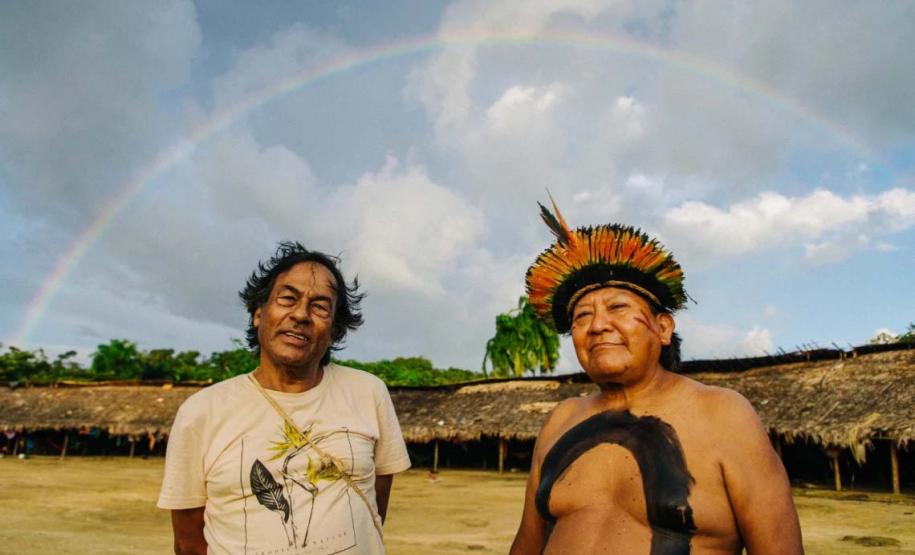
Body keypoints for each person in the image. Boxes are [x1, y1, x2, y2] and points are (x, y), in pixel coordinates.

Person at [510, 199, 803, 555]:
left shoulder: (723, 415)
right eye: (582, 316)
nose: (598, 325)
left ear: (663, 328)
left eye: (618, 307)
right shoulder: (562, 420)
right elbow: (527, 544)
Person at [158, 242, 411, 555]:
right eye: (287, 299)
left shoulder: (368, 393)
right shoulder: (201, 412)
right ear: (259, 314)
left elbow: (373, 505)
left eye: (320, 307)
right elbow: (188, 542)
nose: (301, 314)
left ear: (334, 332)